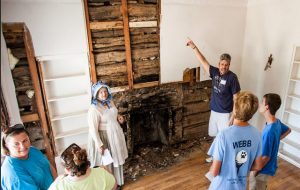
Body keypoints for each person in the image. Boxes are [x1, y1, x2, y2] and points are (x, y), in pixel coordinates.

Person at [186, 39, 241, 162]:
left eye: (226, 65)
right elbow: (203, 60)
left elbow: (237, 98)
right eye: (222, 64)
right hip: (215, 111)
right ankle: (215, 155)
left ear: (229, 65)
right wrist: (194, 47)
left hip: (226, 113)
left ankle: (223, 159)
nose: (224, 67)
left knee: (224, 137)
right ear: (219, 64)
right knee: (214, 134)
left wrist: (233, 116)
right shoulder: (215, 72)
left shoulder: (232, 78)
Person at [207, 91, 262, 190]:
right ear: (252, 113)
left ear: (235, 109)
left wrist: (212, 169)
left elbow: (214, 172)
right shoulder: (257, 134)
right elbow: (258, 166)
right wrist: (241, 170)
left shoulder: (223, 135)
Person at [87, 81, 128, 187]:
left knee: (115, 158)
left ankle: (117, 182)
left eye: (105, 91)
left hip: (114, 134)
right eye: (101, 92)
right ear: (96, 94)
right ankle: (108, 185)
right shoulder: (94, 109)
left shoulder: (109, 102)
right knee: (107, 162)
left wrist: (119, 117)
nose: (104, 94)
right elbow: (93, 129)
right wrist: (99, 144)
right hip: (104, 137)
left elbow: (113, 114)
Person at [249, 93, 291, 190]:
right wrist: (276, 140)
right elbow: (288, 130)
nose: (260, 105)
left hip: (263, 170)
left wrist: (254, 171)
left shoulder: (269, 131)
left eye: (262, 102)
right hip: (269, 166)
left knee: (257, 186)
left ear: (267, 107)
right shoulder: (277, 122)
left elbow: (265, 157)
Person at [1, 124, 54, 190]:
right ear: (6, 145)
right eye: (16, 144)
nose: (22, 146)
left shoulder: (32, 150)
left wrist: (59, 184)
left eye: (25, 141)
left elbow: (48, 166)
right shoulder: (14, 174)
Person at [49, 143, 117, 190]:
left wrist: (57, 180)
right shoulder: (102, 174)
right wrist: (106, 171)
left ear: (67, 170)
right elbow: (114, 186)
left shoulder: (59, 186)